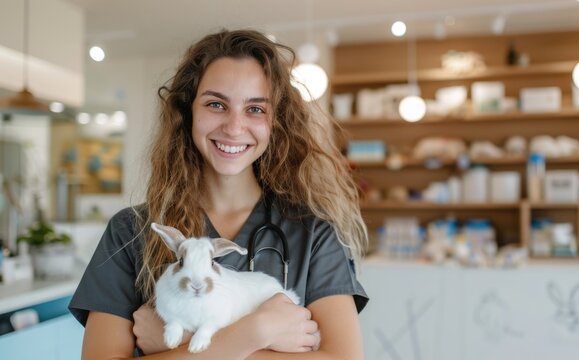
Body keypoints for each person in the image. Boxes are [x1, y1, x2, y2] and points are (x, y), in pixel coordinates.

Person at [68, 29, 369, 359]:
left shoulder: (313, 233)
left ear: (276, 122)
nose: (234, 126)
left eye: (255, 109)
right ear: (188, 112)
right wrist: (255, 333)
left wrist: (183, 343)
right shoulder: (131, 231)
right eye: (216, 104)